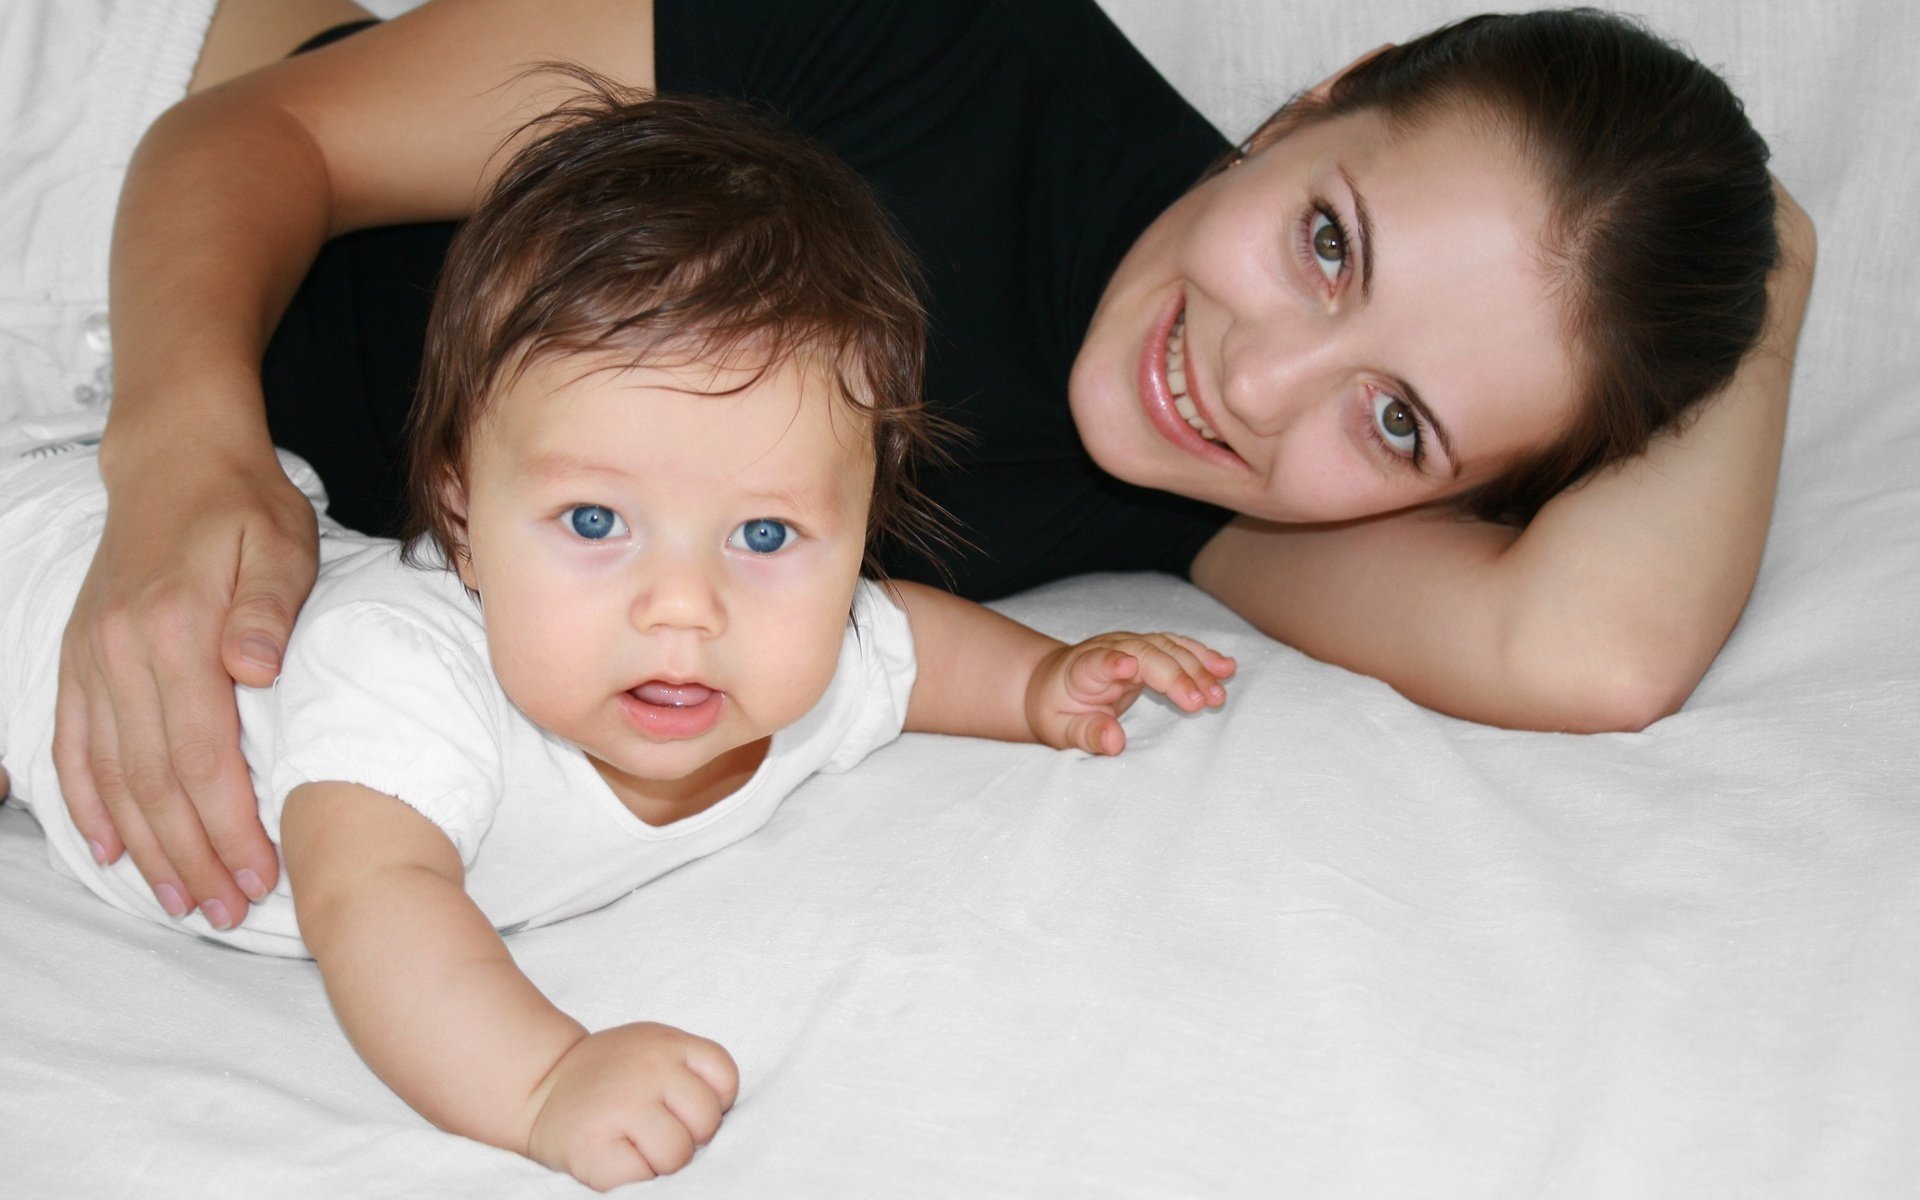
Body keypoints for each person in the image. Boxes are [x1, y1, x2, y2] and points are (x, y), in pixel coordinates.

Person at [61, 0, 1815, 937]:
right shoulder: (922, 43)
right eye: (1331, 241)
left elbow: (1590, 654)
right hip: (101, 170)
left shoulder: (1205, 490)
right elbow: (264, 131)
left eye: (1400, 421)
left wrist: (1774, 254)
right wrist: (180, 448)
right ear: (1316, 103)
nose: (1257, 381)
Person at [0, 90, 1235, 1189]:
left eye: (764, 534)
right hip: (55, 582)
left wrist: (1043, 686)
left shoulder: (798, 656)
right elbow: (377, 904)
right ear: (463, 520)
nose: (685, 608)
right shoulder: (401, 671)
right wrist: (545, 1084)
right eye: (595, 521)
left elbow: (908, 646)